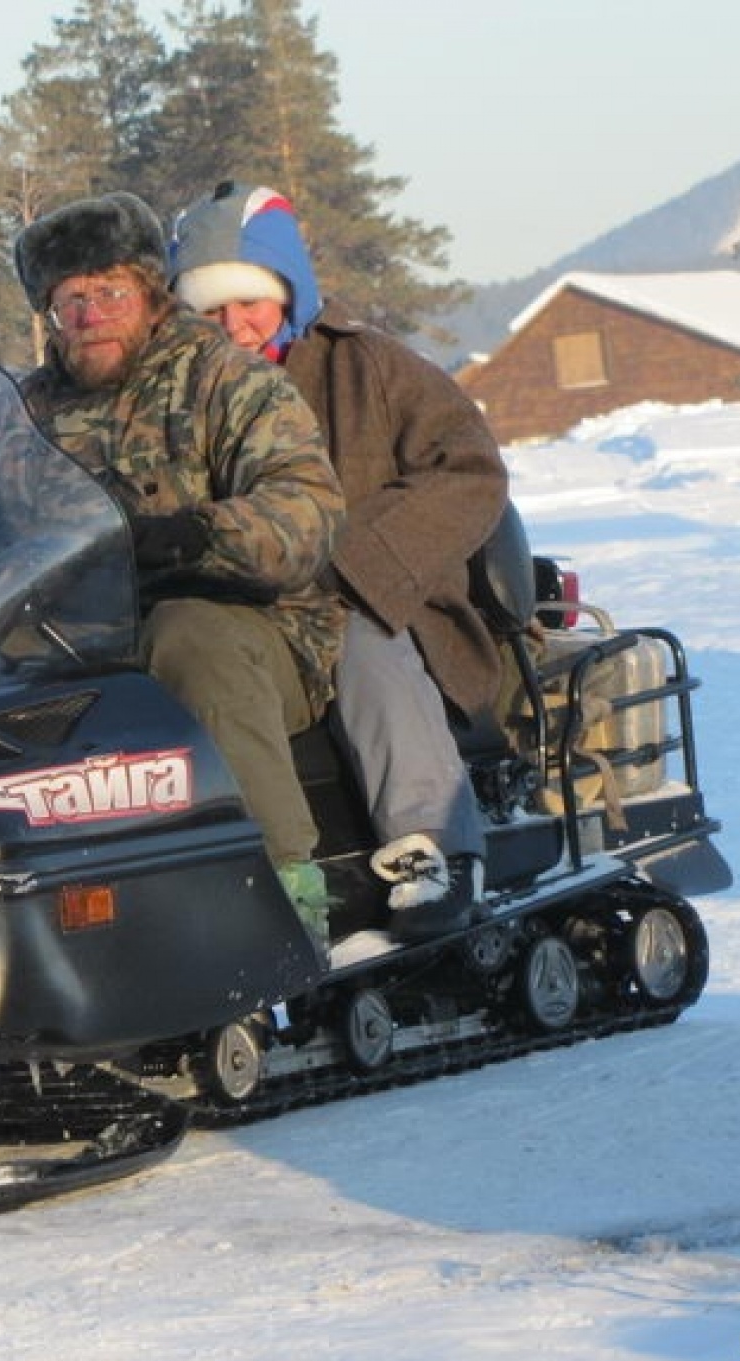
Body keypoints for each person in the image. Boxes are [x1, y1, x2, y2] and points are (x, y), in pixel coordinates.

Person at [0, 191, 346, 943]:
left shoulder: (227, 383)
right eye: (72, 300)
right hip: (68, 639)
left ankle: (283, 889)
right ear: (50, 314)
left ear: (151, 294)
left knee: (189, 633)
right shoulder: (11, 419)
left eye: (109, 293)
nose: (91, 313)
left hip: (249, 631)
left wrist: (196, 536)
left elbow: (307, 511)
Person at [170, 181, 511, 941]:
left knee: (364, 646)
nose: (235, 326)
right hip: (244, 615)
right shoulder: (171, 396)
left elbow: (469, 468)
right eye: (211, 310)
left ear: (289, 291)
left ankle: (435, 847)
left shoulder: (369, 369)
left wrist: (360, 558)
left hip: (373, 594)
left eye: (251, 303)